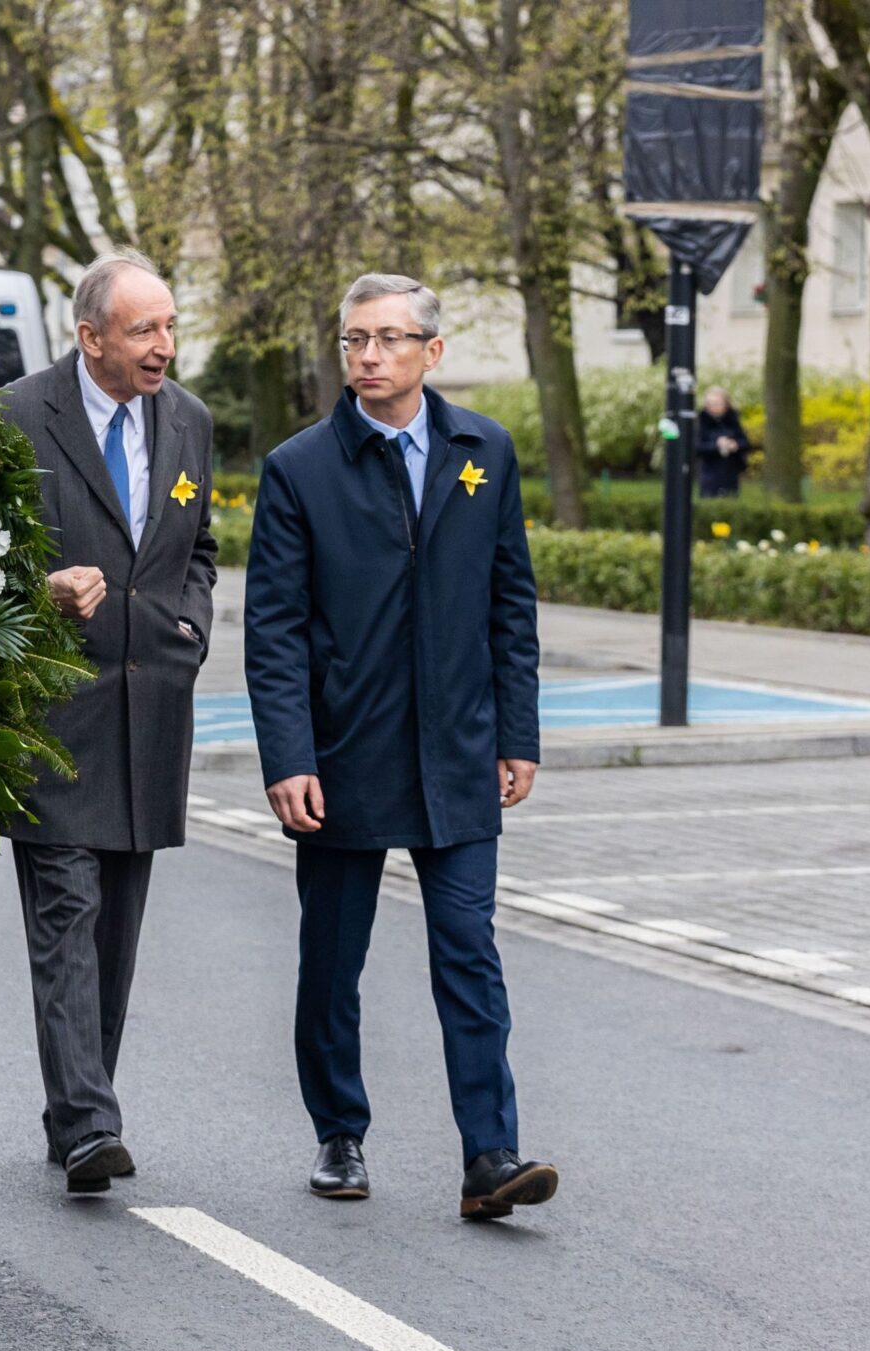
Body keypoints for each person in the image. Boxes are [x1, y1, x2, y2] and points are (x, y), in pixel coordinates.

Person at [243, 273, 557, 1222]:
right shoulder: (300, 467)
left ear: (433, 350)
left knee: (469, 952)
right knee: (333, 960)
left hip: (459, 752)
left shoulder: (483, 452)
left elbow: (512, 603)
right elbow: (276, 629)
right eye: (355, 341)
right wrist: (289, 755)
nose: (370, 356)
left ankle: (489, 1153)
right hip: (344, 759)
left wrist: (518, 733)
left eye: (389, 339)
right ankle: (339, 1132)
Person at [0, 248, 216, 1194]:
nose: (163, 345)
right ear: (90, 339)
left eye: (168, 326)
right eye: (142, 330)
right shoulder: (14, 417)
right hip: (54, 714)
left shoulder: (191, 422)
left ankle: (75, 1110)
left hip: (151, 708)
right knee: (66, 912)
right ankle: (91, 1123)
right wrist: (37, 592)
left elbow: (198, 547)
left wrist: (189, 628)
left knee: (116, 929)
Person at [696, 387, 751, 498]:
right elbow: (697, 447)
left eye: (718, 403)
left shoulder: (733, 421)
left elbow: (745, 443)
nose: (714, 407)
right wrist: (717, 445)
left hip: (730, 473)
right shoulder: (701, 422)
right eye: (711, 403)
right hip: (709, 474)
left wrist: (735, 445)